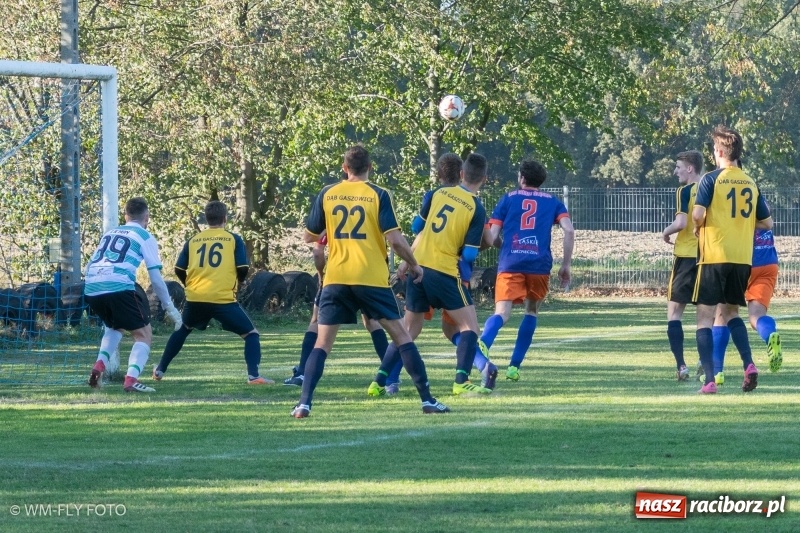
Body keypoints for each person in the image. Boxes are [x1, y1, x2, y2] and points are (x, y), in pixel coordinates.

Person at [294, 144, 449, 418]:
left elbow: (309, 236)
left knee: (322, 344)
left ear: (345, 168)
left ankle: (304, 403)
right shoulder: (378, 194)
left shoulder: (328, 194)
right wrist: (414, 265)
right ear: (370, 167)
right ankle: (427, 400)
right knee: (402, 337)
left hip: (337, 278)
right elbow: (396, 240)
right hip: (370, 277)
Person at [372, 153, 493, 397]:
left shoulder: (437, 193)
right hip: (444, 271)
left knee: (406, 331)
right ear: (485, 179)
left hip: (418, 268)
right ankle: (461, 380)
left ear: (461, 174)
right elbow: (469, 255)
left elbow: (417, 228)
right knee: (469, 327)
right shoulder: (476, 208)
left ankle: (379, 382)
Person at [152, 201, 275, 385]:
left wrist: (189, 284)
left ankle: (160, 370)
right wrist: (238, 283)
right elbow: (242, 267)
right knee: (251, 334)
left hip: (195, 297)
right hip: (222, 298)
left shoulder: (193, 240)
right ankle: (254, 376)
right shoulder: (233, 239)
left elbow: (178, 269)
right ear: (225, 218)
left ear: (206, 219)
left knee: (183, 329)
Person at [692, 125, 773, 394]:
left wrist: (698, 227)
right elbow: (767, 222)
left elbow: (697, 215)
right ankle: (749, 364)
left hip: (714, 255)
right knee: (731, 314)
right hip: (741, 259)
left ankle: (710, 381)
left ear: (718, 151)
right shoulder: (750, 181)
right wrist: (741, 225)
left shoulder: (711, 179)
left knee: (704, 317)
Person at [478, 159, 574, 381]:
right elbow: (568, 231)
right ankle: (514, 367)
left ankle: (484, 343)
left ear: (521, 178)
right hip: (539, 265)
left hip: (511, 263)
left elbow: (491, 238)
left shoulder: (508, 199)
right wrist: (565, 265)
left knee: (502, 313)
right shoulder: (553, 202)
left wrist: (507, 246)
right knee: (531, 312)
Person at [85, 197, 182, 393]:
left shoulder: (109, 233)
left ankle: (99, 365)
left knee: (115, 326)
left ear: (125, 215)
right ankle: (131, 380)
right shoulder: (145, 236)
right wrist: (170, 308)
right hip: (118, 285)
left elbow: (89, 265)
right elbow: (155, 278)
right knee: (143, 335)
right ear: (147, 217)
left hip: (91, 287)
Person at [283, 231, 389, 387]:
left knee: (317, 322)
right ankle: (389, 372)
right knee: (372, 322)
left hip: (338, 278)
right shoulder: (371, 211)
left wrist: (320, 274)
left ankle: (303, 374)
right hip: (368, 276)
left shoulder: (333, 214)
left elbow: (318, 251)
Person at [703, 227, 782, 385]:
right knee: (756, 316)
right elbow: (767, 222)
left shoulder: (730, 201)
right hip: (768, 261)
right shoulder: (760, 201)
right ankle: (770, 334)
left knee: (723, 313)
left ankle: (717, 371)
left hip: (742, 260)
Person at [661, 150, 703, 381]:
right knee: (706, 313)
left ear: (689, 168)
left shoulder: (684, 191)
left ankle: (681, 366)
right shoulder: (711, 188)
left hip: (686, 256)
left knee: (675, 312)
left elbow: (681, 222)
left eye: (678, 166)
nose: (675, 171)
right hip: (709, 256)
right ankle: (704, 361)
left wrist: (665, 233)